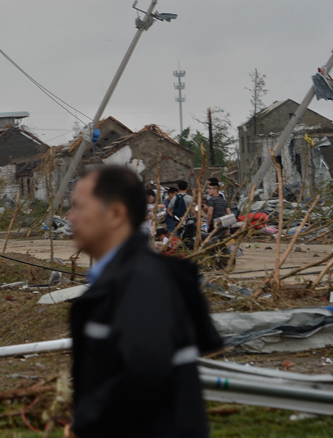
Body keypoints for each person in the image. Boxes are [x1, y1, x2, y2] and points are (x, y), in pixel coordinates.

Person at [67, 166, 221, 437]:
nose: (71, 217)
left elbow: (147, 371)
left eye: (79, 207)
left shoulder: (143, 282)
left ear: (115, 213)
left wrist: (89, 420)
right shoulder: (124, 279)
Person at [168, 180, 196, 248]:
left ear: (178, 188)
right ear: (187, 188)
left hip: (178, 224)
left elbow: (168, 210)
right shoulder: (189, 198)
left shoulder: (174, 198)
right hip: (188, 224)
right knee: (188, 241)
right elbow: (193, 212)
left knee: (179, 240)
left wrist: (175, 217)